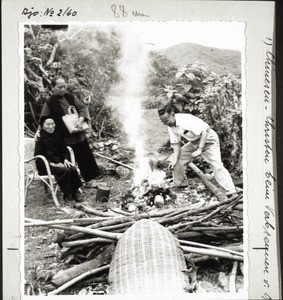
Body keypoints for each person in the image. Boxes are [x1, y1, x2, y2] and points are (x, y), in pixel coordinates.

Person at [158, 103, 238, 198]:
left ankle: (231, 192)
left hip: (209, 140)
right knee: (179, 158)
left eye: (167, 121)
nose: (166, 124)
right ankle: (180, 185)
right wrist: (175, 159)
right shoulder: (170, 126)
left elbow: (205, 130)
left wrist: (200, 149)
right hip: (194, 142)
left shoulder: (186, 119)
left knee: (216, 165)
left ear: (172, 114)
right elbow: (176, 143)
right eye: (163, 122)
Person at [38, 76, 100, 187]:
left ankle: (89, 181)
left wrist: (80, 121)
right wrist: (43, 130)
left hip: (79, 133)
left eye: (64, 86)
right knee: (69, 160)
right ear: (53, 87)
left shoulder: (70, 97)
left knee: (85, 156)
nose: (63, 89)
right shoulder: (49, 102)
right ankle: (73, 184)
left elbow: (81, 108)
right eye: (59, 87)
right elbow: (43, 118)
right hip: (65, 138)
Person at [34, 116, 83, 202]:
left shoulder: (57, 136)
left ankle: (74, 194)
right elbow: (38, 156)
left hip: (59, 163)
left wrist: (65, 159)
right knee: (65, 170)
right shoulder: (40, 138)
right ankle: (67, 195)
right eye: (48, 124)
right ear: (43, 126)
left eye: (52, 124)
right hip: (46, 165)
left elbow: (64, 150)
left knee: (73, 169)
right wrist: (53, 163)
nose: (51, 126)